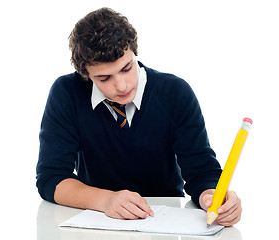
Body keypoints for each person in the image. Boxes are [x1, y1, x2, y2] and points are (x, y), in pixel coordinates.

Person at [36, 7, 242, 226]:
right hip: (97, 220)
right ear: (86, 74)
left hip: (165, 222)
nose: (122, 86)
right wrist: (105, 200)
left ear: (134, 53)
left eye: (126, 68)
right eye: (104, 78)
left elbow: (202, 170)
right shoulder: (67, 92)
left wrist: (212, 197)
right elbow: (51, 177)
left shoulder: (175, 92)